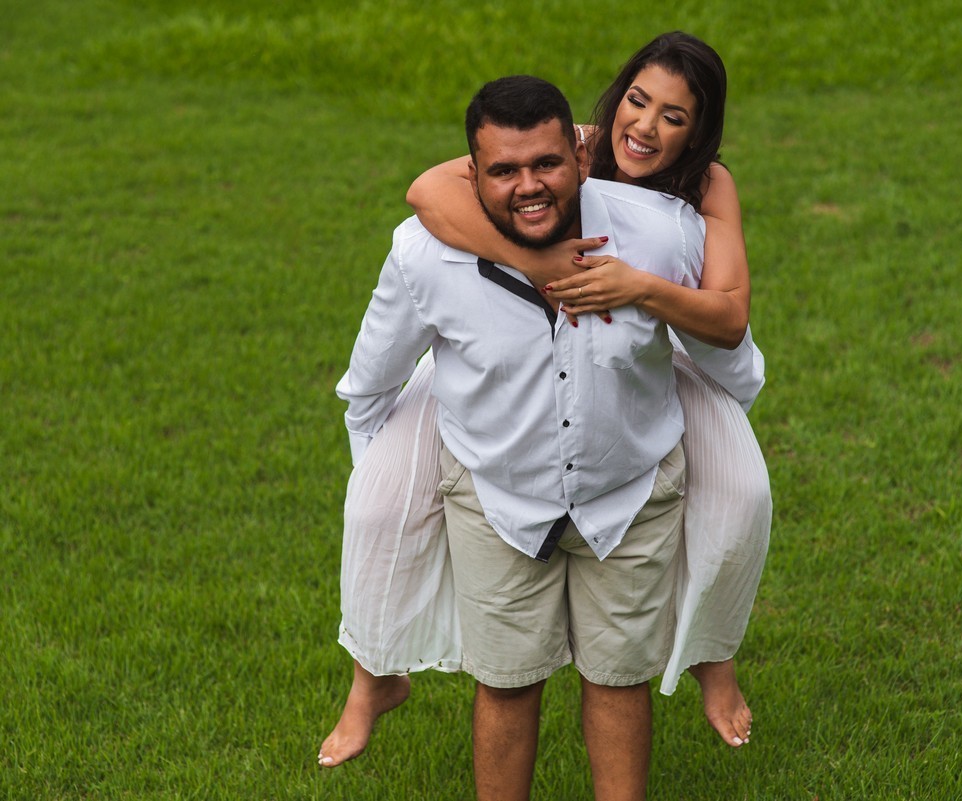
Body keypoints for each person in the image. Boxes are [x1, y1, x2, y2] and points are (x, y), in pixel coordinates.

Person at [319, 31, 771, 768]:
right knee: (377, 505)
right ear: (615, 100)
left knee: (742, 498)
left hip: (662, 356)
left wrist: (637, 287)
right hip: (498, 396)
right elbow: (429, 191)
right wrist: (535, 259)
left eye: (674, 117)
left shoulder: (701, 194)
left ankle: (712, 663)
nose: (646, 128)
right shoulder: (576, 143)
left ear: (699, 132)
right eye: (637, 101)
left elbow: (728, 318)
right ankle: (372, 677)